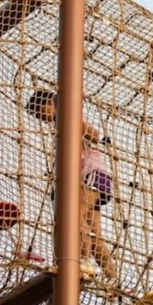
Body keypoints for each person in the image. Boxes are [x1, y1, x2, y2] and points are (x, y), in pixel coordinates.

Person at [25, 90, 118, 283]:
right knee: (94, 234)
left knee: (76, 219)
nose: (40, 118)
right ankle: (113, 278)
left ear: (49, 104)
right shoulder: (61, 125)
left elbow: (94, 135)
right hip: (95, 178)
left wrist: (69, 114)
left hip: (90, 175)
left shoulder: (69, 116)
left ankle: (83, 261)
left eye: (39, 111)